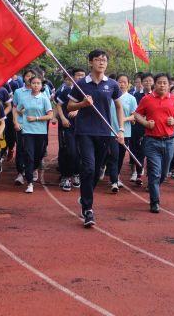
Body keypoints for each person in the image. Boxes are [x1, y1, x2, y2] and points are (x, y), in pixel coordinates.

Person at [67, 49, 125, 227]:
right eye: (98, 60)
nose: (101, 62)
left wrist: (121, 129)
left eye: (104, 60)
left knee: (97, 170)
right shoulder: (81, 84)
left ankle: (86, 194)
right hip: (85, 132)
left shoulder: (113, 84)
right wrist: (82, 104)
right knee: (89, 168)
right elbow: (69, 107)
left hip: (104, 132)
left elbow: (118, 107)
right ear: (90, 62)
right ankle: (88, 209)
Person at [134, 73, 174, 212]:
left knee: (164, 173)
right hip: (152, 141)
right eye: (159, 83)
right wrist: (145, 122)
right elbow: (137, 114)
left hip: (169, 142)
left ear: (169, 85)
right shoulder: (147, 99)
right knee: (155, 173)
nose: (162, 85)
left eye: (165, 83)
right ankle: (154, 202)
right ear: (154, 84)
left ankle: (153, 186)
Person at [14, 75, 53, 194]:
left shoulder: (44, 98)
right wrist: (16, 121)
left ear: (41, 86)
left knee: (38, 155)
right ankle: (30, 182)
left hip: (40, 131)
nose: (36, 85)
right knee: (29, 155)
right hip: (27, 131)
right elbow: (17, 110)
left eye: (38, 83)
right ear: (30, 85)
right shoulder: (24, 98)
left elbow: (50, 115)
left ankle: (33, 168)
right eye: (34, 83)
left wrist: (36, 118)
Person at [56, 68, 86, 191]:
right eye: (78, 75)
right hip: (68, 126)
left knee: (80, 152)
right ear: (72, 77)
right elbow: (58, 105)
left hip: (83, 127)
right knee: (69, 151)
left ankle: (76, 174)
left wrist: (78, 110)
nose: (80, 77)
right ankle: (66, 176)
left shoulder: (87, 91)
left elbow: (90, 105)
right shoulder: (67, 90)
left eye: (83, 75)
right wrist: (62, 118)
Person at [107, 73, 138, 193]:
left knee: (120, 157)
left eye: (125, 82)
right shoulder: (110, 97)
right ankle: (114, 181)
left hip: (125, 132)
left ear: (129, 84)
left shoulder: (131, 98)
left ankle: (116, 175)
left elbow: (134, 115)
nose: (122, 84)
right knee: (113, 156)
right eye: (120, 81)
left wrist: (124, 119)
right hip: (111, 132)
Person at [12, 69, 38, 185]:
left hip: (37, 125)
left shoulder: (41, 91)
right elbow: (15, 108)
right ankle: (20, 173)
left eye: (32, 76)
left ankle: (34, 168)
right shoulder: (18, 92)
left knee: (36, 149)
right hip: (22, 124)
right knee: (21, 148)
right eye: (28, 76)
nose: (30, 78)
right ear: (24, 78)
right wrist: (15, 122)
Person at [130, 72, 154, 185]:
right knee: (137, 151)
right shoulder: (136, 96)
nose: (148, 83)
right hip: (137, 127)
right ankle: (138, 173)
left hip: (151, 128)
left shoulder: (155, 96)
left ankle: (150, 177)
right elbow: (134, 112)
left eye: (150, 80)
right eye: (145, 81)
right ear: (141, 83)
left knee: (148, 152)